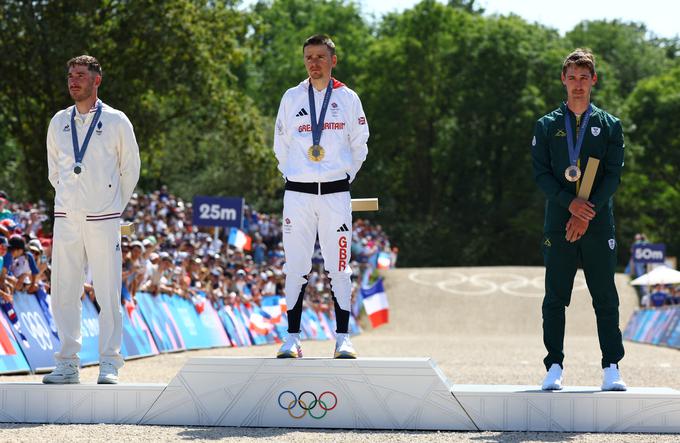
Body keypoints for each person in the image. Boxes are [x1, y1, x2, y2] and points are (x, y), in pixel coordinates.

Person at [531, 49, 626, 391]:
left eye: (584, 78)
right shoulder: (546, 125)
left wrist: (586, 212)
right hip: (559, 219)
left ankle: (612, 366)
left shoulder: (610, 125)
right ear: (563, 80)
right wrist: (570, 204)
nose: (578, 85)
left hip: (598, 222)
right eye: (572, 77)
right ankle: (554, 365)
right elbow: (541, 174)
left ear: (594, 81)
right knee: (556, 297)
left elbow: (613, 176)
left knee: (605, 296)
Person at [43, 55, 140, 384]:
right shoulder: (58, 121)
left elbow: (131, 169)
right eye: (70, 75)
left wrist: (111, 204)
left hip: (104, 217)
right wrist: (71, 200)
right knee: (64, 289)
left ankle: (110, 362)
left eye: (81, 75)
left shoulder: (116, 121)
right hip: (66, 216)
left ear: (96, 80)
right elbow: (54, 171)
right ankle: (68, 362)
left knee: (107, 289)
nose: (74, 80)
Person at [273, 34, 369, 359]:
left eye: (320, 57)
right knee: (294, 266)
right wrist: (293, 175)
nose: (314, 64)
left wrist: (343, 177)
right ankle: (292, 337)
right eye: (309, 58)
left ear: (333, 60)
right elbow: (280, 144)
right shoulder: (291, 96)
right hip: (297, 194)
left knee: (339, 266)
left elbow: (360, 144)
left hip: (335, 194)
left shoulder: (348, 98)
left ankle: (343, 338)